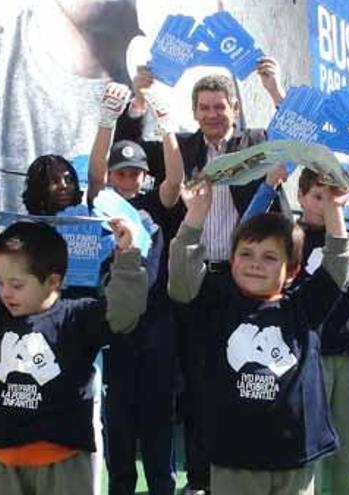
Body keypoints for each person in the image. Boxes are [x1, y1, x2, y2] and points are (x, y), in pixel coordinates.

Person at [114, 60, 284, 494]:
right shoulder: (181, 150)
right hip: (192, 276)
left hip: (243, 279)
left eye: (219, 106)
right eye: (204, 107)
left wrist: (273, 86)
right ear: (194, 111)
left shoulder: (258, 143)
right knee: (192, 377)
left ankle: (244, 466)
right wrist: (138, 97)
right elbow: (128, 146)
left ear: (234, 109)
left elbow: (299, 143)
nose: (212, 114)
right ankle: (201, 478)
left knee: (245, 373)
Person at [0, 216, 146, 494]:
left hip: (63, 466)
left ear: (53, 281)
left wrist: (126, 255)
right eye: (0, 283)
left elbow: (125, 311)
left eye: (16, 285)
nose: (6, 292)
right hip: (3, 465)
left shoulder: (75, 317)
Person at [168, 178, 349, 494]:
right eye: (246, 254)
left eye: (270, 257)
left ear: (292, 270)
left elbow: (336, 264)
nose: (255, 263)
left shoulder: (304, 306)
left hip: (295, 454)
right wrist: (196, 215)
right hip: (233, 458)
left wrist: (335, 210)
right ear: (231, 259)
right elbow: (182, 277)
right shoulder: (216, 303)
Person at [243, 164, 349, 495]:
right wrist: (268, 186)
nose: (324, 203)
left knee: (348, 446)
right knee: (308, 448)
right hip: (303, 356)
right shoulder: (287, 240)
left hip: (348, 352)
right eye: (317, 196)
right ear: (301, 197)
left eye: (333, 196)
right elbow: (247, 230)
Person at [89, 82, 183, 494]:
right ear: (113, 175)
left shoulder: (153, 205)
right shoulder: (103, 202)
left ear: (145, 176)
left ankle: (162, 485)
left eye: (135, 172)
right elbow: (92, 178)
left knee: (158, 416)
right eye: (121, 172)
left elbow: (176, 180)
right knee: (119, 417)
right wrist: (106, 122)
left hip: (158, 323)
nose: (128, 179)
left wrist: (166, 128)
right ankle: (121, 487)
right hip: (118, 323)